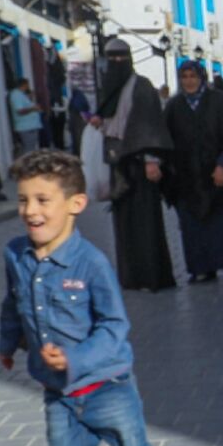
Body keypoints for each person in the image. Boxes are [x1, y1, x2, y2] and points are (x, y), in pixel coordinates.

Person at [0, 150, 196, 446]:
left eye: (42, 200)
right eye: (23, 200)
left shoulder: (91, 263)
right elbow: (12, 302)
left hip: (109, 386)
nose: (30, 211)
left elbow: (115, 326)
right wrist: (7, 342)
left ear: (75, 204)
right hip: (59, 391)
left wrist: (77, 357)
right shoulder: (15, 255)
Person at [92, 38, 175, 292]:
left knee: (145, 220)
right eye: (111, 58)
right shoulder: (109, 88)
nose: (116, 63)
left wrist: (152, 160)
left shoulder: (141, 86)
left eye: (121, 58)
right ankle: (131, 276)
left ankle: (152, 275)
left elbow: (149, 124)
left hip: (140, 163)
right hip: (118, 163)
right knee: (124, 222)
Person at [164, 60, 223, 283]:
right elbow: (166, 139)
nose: (189, 81)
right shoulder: (174, 107)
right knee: (195, 224)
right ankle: (203, 267)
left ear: (201, 77)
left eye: (193, 76)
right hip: (190, 178)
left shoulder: (220, 101)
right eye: (184, 77)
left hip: (221, 176)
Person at [8, 78, 42, 154]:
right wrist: (33, 109)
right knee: (29, 149)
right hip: (26, 127)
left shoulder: (22, 94)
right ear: (24, 85)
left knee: (31, 147)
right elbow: (20, 111)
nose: (28, 87)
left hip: (31, 126)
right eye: (27, 85)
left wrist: (30, 99)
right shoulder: (16, 95)